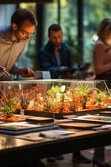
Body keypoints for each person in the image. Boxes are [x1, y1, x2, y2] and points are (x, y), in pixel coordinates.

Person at [38, 24, 90, 164]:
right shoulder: (43, 50)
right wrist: (62, 69)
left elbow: (70, 64)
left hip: (66, 86)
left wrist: (73, 70)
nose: (57, 40)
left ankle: (76, 153)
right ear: (49, 37)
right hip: (51, 88)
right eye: (54, 37)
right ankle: (52, 152)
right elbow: (45, 69)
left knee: (74, 119)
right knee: (53, 120)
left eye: (59, 37)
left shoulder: (65, 48)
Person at [91, 17, 111, 167]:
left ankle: (107, 155)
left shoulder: (110, 45)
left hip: (110, 85)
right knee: (102, 123)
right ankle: (99, 156)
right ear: (109, 29)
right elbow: (98, 69)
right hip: (102, 86)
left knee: (110, 122)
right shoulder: (100, 46)